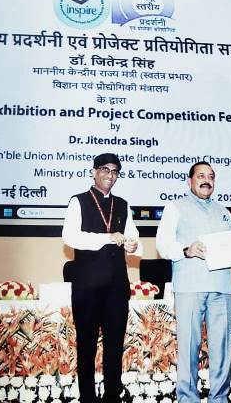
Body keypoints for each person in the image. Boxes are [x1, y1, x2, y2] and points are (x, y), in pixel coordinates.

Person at [61, 153, 142, 403]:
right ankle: (87, 397)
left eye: (115, 171)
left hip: (117, 287)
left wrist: (132, 245)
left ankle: (112, 396)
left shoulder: (123, 204)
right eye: (105, 169)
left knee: (115, 345)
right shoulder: (78, 201)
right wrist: (107, 238)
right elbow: (70, 237)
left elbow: (134, 239)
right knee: (86, 345)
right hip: (87, 286)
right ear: (94, 172)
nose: (110, 175)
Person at [156, 161, 231, 403]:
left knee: (222, 349)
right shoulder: (175, 208)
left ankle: (219, 398)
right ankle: (187, 399)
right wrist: (186, 250)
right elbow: (162, 245)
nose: (206, 180)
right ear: (189, 180)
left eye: (210, 176)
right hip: (189, 287)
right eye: (201, 176)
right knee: (189, 348)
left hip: (221, 287)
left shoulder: (225, 212)